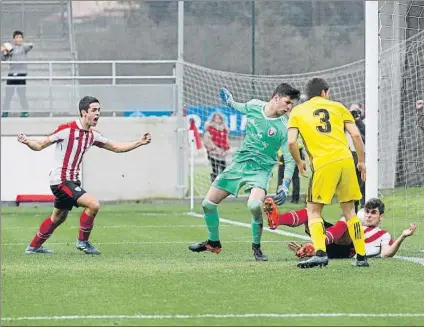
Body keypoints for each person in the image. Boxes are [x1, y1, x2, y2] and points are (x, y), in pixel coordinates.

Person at [18, 96, 152, 255]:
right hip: (61, 180)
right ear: (84, 112)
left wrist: (139, 142)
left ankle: (33, 247)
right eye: (94, 110)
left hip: (72, 181)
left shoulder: (93, 135)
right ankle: (83, 242)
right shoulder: (67, 129)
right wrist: (27, 141)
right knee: (93, 204)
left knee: (59, 217)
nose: (98, 114)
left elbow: (116, 147)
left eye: (99, 110)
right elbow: (40, 145)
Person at [189, 84, 301, 261]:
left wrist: (285, 185)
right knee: (207, 204)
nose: (289, 107)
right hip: (239, 165)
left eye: (291, 105)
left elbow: (289, 159)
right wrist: (230, 102)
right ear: (276, 98)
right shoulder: (254, 106)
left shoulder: (285, 127)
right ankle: (213, 243)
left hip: (261, 170)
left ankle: (257, 248)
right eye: (287, 102)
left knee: (254, 205)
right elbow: (239, 106)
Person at [286, 77, 367, 268]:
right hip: (346, 160)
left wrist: (299, 162)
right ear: (324, 92)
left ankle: (321, 253)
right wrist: (362, 162)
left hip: (324, 163)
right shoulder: (338, 107)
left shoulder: (298, 111)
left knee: (313, 211)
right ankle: (362, 256)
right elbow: (356, 135)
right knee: (350, 211)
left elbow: (291, 142)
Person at [264, 197, 416, 259]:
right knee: (310, 213)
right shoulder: (358, 222)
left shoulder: (383, 234)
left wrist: (402, 236)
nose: (369, 216)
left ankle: (319, 244)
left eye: (373, 213)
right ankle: (277, 220)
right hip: (335, 240)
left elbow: (386, 254)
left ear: (381, 216)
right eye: (367, 212)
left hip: (350, 249)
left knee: (348, 220)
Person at [1, 31, 33, 118]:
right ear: (13, 39)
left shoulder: (24, 47)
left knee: (22, 93)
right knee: (8, 94)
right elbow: (3, 59)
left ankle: (25, 112)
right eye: (17, 37)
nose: (18, 39)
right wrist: (5, 51)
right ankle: (5, 112)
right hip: (11, 73)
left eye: (20, 37)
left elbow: (31, 45)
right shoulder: (10, 48)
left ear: (22, 39)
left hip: (21, 73)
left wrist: (27, 44)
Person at [203, 112, 230, 183]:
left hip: (222, 153)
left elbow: (226, 140)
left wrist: (225, 149)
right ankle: (214, 184)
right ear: (213, 119)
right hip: (213, 153)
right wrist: (215, 148)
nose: (217, 120)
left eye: (219, 118)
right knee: (215, 169)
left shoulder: (224, 129)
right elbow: (207, 140)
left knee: (223, 169)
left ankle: (222, 185)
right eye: (216, 118)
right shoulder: (210, 129)